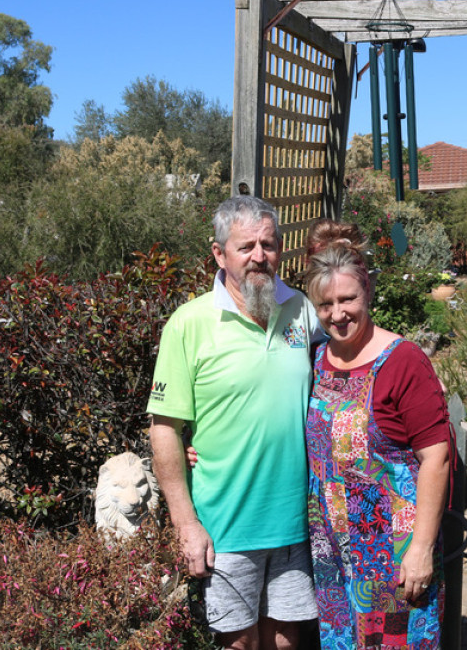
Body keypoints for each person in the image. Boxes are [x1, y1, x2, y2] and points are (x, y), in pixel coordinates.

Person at [147, 195, 321, 650]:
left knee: (286, 641)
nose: (259, 256)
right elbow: (165, 427)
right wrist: (186, 524)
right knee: (238, 644)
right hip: (224, 525)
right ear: (219, 253)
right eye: (246, 246)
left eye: (269, 244)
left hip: (295, 522)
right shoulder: (189, 324)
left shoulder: (302, 310)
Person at [304, 220, 451, 649]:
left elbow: (436, 458)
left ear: (366, 291)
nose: (337, 314)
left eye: (347, 299)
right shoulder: (316, 361)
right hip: (332, 551)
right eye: (325, 304)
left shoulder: (402, 360)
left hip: (393, 552)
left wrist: (421, 548)